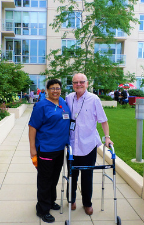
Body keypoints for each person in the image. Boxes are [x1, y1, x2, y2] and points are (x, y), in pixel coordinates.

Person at [65, 73, 113, 216]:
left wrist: (107, 137)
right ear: (72, 84)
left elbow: (103, 120)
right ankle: (71, 200)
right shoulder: (68, 98)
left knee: (87, 175)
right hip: (73, 144)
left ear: (87, 83)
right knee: (72, 174)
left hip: (88, 144)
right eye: (75, 82)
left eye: (81, 82)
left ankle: (87, 203)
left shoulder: (94, 99)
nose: (78, 84)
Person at [29, 79, 71, 223]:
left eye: (58, 88)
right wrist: (32, 148)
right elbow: (32, 127)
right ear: (46, 90)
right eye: (52, 88)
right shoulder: (41, 106)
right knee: (44, 180)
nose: (55, 91)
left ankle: (50, 201)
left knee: (54, 178)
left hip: (60, 149)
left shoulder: (63, 103)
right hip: (46, 149)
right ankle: (42, 209)